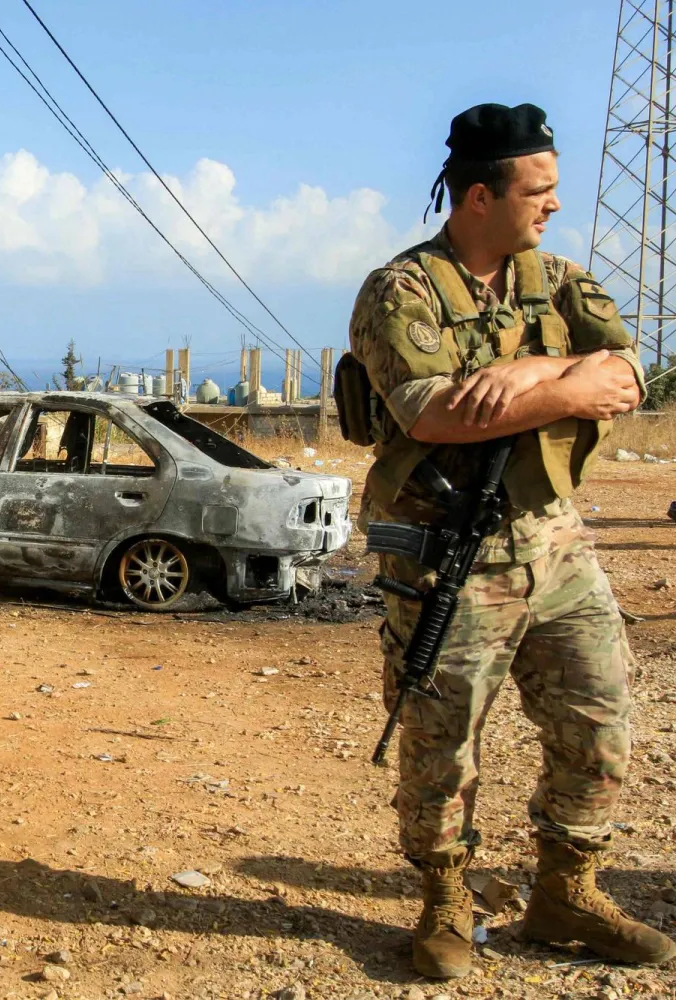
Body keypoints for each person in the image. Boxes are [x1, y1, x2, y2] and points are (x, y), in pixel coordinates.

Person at [346, 103, 675, 979]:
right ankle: (445, 903)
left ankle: (567, 894)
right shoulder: (400, 291)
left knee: (600, 722)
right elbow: (435, 411)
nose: (555, 205)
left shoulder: (558, 277)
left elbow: (628, 373)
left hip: (555, 545)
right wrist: (571, 384)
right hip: (450, 553)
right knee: (441, 743)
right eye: (541, 189)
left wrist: (530, 374)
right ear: (481, 195)